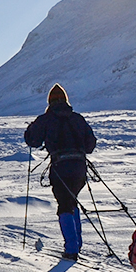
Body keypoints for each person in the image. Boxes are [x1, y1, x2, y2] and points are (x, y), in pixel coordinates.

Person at [24, 84, 97, 261]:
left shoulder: (46, 119)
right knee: (71, 201)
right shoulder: (77, 118)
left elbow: (33, 141)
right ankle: (76, 244)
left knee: (64, 205)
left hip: (60, 167)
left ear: (50, 101)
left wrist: (30, 130)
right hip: (79, 167)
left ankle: (72, 249)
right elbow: (90, 145)